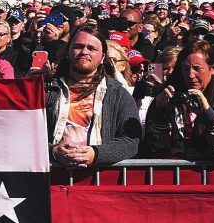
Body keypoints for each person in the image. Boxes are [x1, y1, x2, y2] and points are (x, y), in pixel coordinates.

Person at [43, 24, 142, 180]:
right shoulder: (46, 90)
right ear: (68, 52)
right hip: (51, 179)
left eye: (91, 48)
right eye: (78, 46)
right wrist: (53, 152)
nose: (84, 52)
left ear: (103, 57)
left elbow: (132, 140)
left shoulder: (118, 94)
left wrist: (96, 154)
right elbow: (25, 135)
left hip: (97, 182)